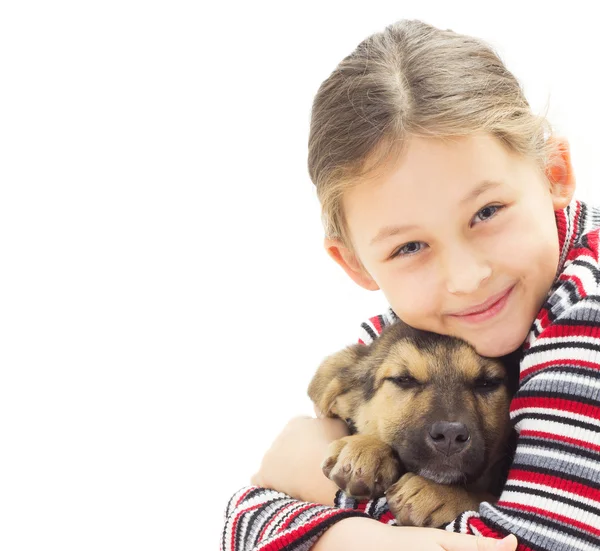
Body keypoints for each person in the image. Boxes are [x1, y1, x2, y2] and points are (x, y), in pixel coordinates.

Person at [220, 19, 600, 551]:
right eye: (410, 247)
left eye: (487, 211)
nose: (467, 278)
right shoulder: (427, 324)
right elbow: (241, 517)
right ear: (357, 264)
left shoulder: (586, 314)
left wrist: (322, 490)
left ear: (555, 175)